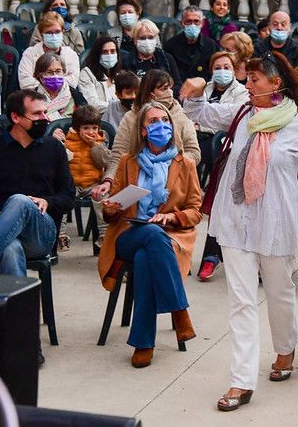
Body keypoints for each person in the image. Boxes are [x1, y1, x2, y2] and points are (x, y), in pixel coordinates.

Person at [180, 51, 298, 412]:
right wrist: (195, 89)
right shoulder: (240, 114)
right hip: (235, 220)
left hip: (278, 224)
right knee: (241, 301)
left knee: (281, 292)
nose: (246, 86)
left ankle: (285, 348)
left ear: (275, 84)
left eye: (253, 80)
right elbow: (199, 112)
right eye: (245, 79)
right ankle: (241, 380)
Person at [98, 101, 202, 368]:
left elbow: (195, 211)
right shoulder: (127, 162)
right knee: (150, 237)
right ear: (143, 130)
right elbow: (112, 211)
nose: (161, 126)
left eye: (165, 120)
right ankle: (179, 310)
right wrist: (111, 207)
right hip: (129, 234)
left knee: (148, 254)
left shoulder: (185, 163)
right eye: (153, 122)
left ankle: (144, 342)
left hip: (168, 236)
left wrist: (172, 216)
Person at [0, 89, 75, 276]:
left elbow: (68, 197)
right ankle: (20, 305)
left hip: (39, 233)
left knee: (20, 201)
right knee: (9, 248)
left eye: (45, 112)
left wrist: (47, 201)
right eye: (37, 114)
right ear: (15, 117)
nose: (45, 118)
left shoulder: (54, 148)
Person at [91, 70, 200, 201]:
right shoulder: (131, 118)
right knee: (112, 207)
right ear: (150, 93)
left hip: (174, 182)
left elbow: (193, 153)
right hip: (136, 180)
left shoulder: (180, 116)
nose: (169, 92)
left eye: (170, 88)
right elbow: (118, 154)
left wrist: (167, 164)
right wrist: (108, 180)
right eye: (163, 89)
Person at [194, 51, 250, 282]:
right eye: (218, 67)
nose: (222, 71)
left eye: (227, 67)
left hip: (228, 147)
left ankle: (246, 260)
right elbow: (192, 114)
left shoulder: (242, 94)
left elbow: (227, 120)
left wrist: (203, 124)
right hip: (204, 141)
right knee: (219, 206)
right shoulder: (202, 90)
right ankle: (210, 256)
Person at [61, 106, 110, 246]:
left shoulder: (100, 143)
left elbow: (105, 162)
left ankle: (104, 235)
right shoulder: (69, 142)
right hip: (73, 183)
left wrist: (94, 145)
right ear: (77, 129)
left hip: (93, 183)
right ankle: (61, 235)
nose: (91, 132)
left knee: (101, 198)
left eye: (94, 128)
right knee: (63, 199)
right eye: (86, 128)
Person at [19, 12, 81, 91]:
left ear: (63, 32)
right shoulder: (30, 53)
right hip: (36, 98)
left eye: (57, 32)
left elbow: (73, 82)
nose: (54, 36)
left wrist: (45, 83)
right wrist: (51, 85)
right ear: (41, 34)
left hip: (64, 98)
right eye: (49, 32)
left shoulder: (71, 54)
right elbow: (25, 82)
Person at [164, 6, 220, 83]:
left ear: (202, 23)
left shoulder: (211, 46)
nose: (192, 25)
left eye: (196, 21)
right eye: (188, 21)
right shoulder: (170, 45)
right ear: (182, 23)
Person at [120, 19, 181, 90]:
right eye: (142, 38)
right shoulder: (126, 61)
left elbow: (177, 85)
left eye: (151, 37)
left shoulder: (166, 59)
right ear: (135, 40)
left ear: (156, 38)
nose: (147, 41)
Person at [32, 52, 87, 120]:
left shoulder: (76, 96)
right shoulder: (32, 98)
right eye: (49, 72)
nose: (55, 75)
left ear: (63, 72)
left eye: (58, 71)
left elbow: (85, 121)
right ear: (40, 76)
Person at [79, 36, 120, 114]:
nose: (109, 55)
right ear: (97, 54)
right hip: (97, 120)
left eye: (113, 51)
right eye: (104, 52)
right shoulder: (87, 74)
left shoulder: (119, 75)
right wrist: (120, 107)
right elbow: (93, 105)